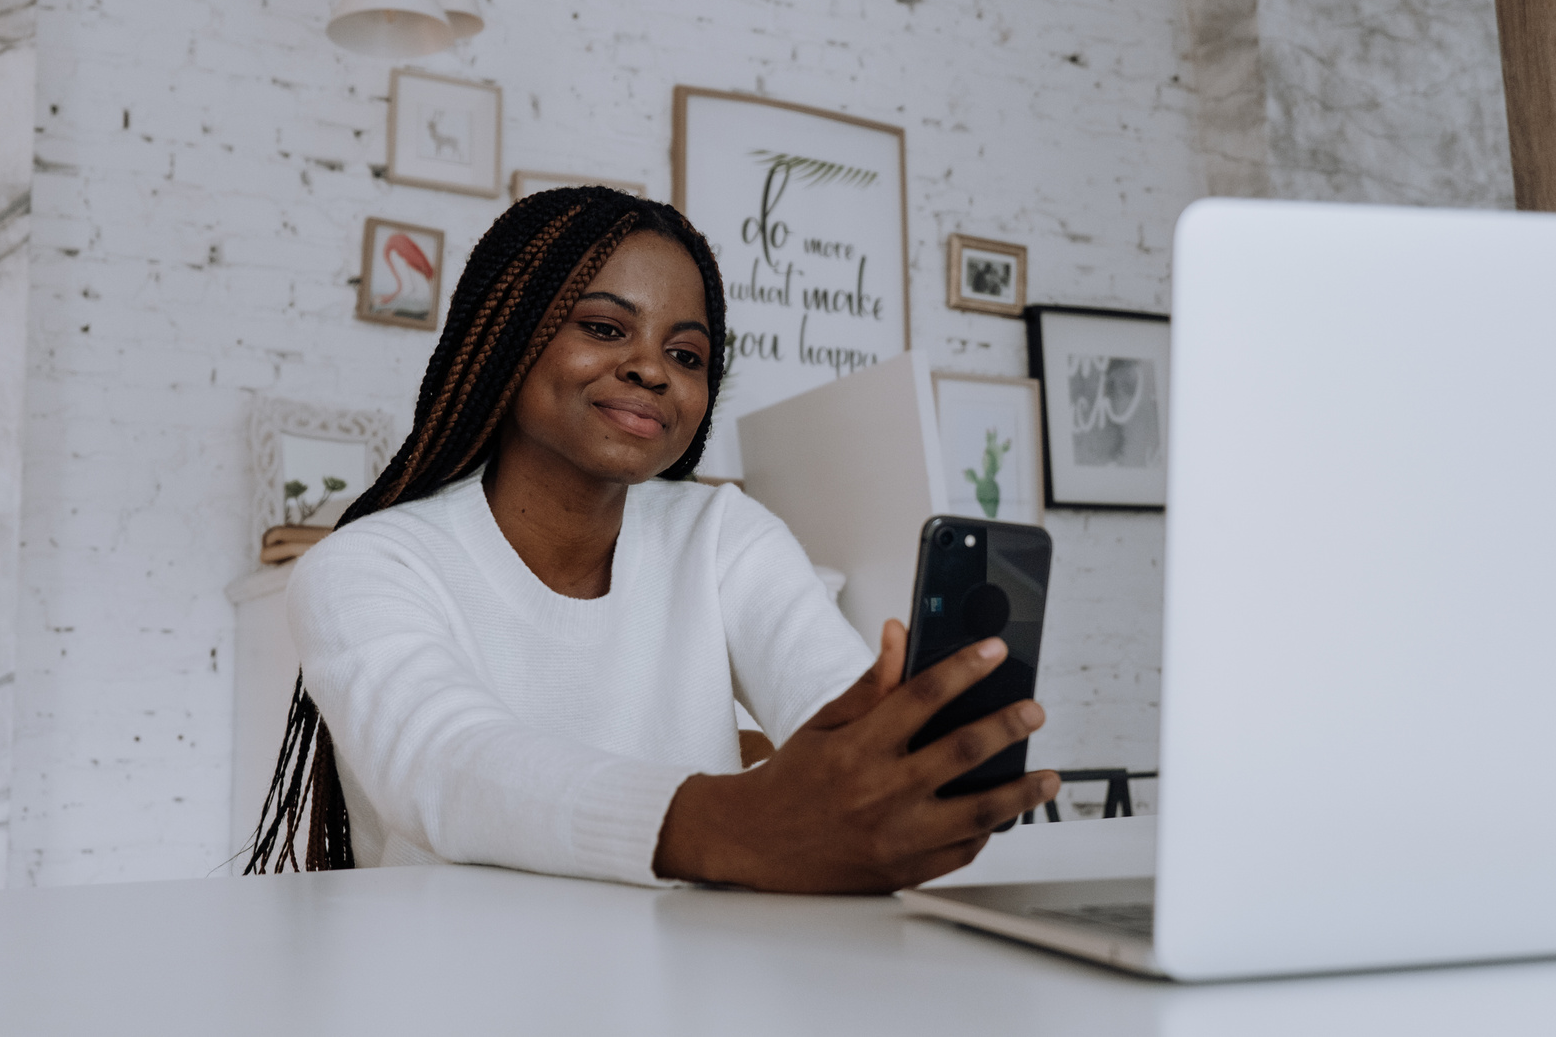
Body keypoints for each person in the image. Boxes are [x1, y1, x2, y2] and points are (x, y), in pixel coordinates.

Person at [245, 187, 1059, 890]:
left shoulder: (719, 534)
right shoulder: (368, 564)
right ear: (504, 337)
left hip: (684, 971)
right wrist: (736, 822)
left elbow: (827, 698)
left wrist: (886, 743)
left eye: (686, 352)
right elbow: (447, 768)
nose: (652, 369)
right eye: (604, 328)